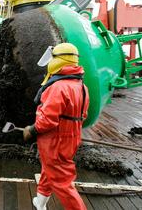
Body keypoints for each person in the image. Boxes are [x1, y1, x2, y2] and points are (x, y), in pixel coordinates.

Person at [23, 43, 89, 210]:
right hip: (72, 138)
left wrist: (32, 130)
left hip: (55, 141)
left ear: (58, 60)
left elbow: (47, 120)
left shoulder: (58, 87)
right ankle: (40, 203)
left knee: (61, 182)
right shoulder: (81, 87)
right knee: (48, 170)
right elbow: (83, 116)